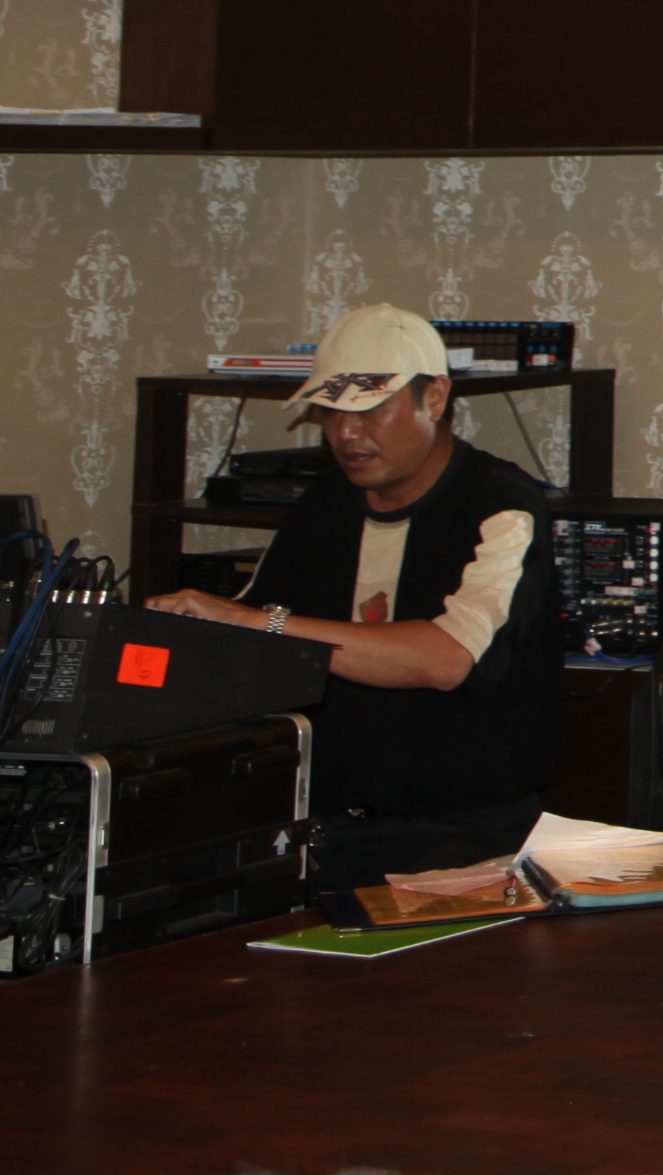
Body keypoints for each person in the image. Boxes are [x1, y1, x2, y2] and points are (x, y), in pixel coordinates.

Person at [146, 305, 562, 887]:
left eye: (369, 409)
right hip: (325, 830)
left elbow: (444, 659)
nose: (346, 433)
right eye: (331, 412)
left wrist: (265, 624)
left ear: (434, 399)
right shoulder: (322, 507)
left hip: (461, 837)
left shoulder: (502, 506)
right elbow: (250, 638)